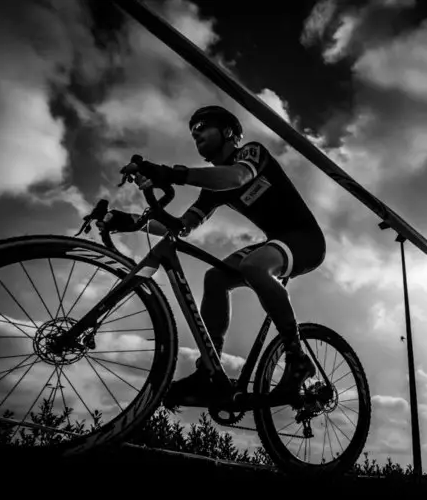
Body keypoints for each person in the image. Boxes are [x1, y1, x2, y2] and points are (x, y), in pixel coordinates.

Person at [100, 105, 326, 408]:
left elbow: (235, 177)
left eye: (202, 127)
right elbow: (182, 226)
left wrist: (171, 173)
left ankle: (297, 357)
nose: (196, 136)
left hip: (305, 240)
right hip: (275, 241)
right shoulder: (213, 190)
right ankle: (209, 370)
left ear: (229, 132)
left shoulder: (251, 153)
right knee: (216, 277)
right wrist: (131, 222)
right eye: (193, 133)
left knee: (252, 265)